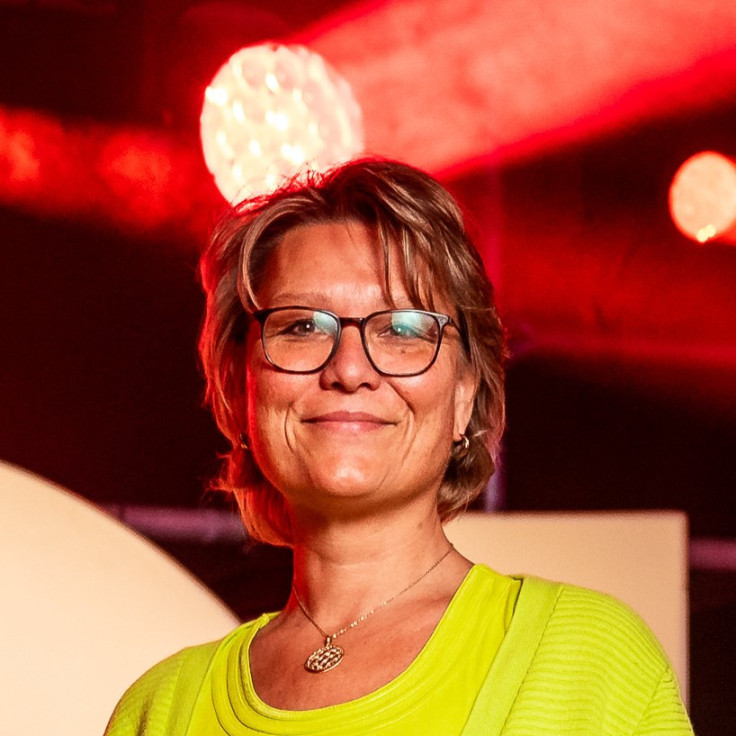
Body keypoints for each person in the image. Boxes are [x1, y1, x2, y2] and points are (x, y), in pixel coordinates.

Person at [105, 158, 693, 735]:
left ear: (464, 396)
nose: (349, 369)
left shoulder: (586, 662)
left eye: (403, 329)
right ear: (240, 386)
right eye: (302, 326)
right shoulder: (161, 709)